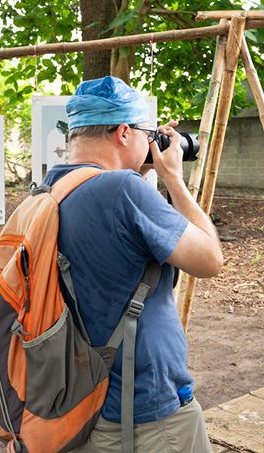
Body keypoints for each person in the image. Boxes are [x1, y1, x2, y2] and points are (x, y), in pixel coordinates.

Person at [43, 76, 223, 452]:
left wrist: (139, 174)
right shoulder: (123, 191)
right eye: (145, 131)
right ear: (123, 132)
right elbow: (209, 259)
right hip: (148, 414)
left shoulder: (51, 190)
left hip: (83, 402)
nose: (151, 141)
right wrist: (173, 177)